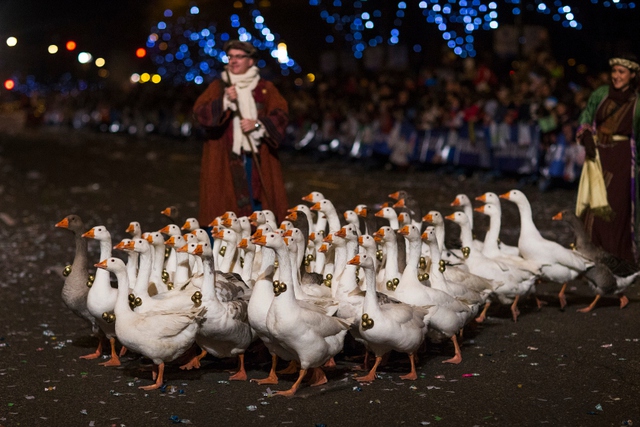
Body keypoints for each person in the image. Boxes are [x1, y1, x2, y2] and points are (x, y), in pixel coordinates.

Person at [193, 40, 289, 226]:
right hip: (224, 159)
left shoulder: (265, 88)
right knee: (223, 206)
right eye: (230, 57)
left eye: (239, 56)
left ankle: (259, 247)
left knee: (259, 204)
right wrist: (224, 102)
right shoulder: (218, 87)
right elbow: (199, 113)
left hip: (258, 157)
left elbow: (281, 116)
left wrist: (259, 124)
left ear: (251, 61)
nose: (233, 61)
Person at [577, 53, 640, 264]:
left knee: (615, 207)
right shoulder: (601, 93)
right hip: (597, 155)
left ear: (632, 75)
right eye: (614, 71)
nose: (616, 76)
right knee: (591, 205)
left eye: (621, 72)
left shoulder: (637, 102)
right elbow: (587, 115)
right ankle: (588, 254)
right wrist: (586, 135)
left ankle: (615, 258)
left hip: (622, 158)